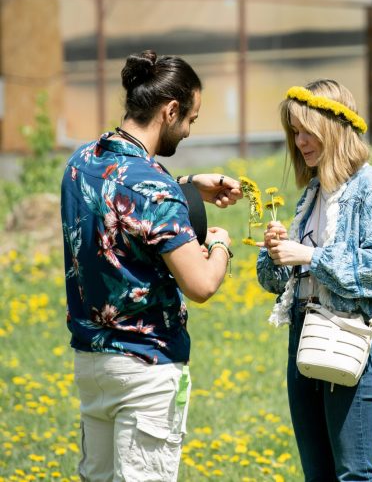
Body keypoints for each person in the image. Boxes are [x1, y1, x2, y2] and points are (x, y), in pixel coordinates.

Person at [60, 49, 242, 482]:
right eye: (191, 120)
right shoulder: (155, 192)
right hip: (146, 369)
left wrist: (188, 186)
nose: (189, 132)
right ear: (171, 109)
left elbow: (121, 197)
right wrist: (219, 245)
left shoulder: (81, 163)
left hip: (93, 364)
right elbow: (200, 285)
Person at [257, 80, 372, 481]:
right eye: (295, 131)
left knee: (355, 474)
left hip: (349, 335)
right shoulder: (312, 194)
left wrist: (309, 255)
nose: (300, 141)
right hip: (304, 336)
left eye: (308, 130)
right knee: (317, 473)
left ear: (336, 128)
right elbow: (273, 282)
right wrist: (276, 251)